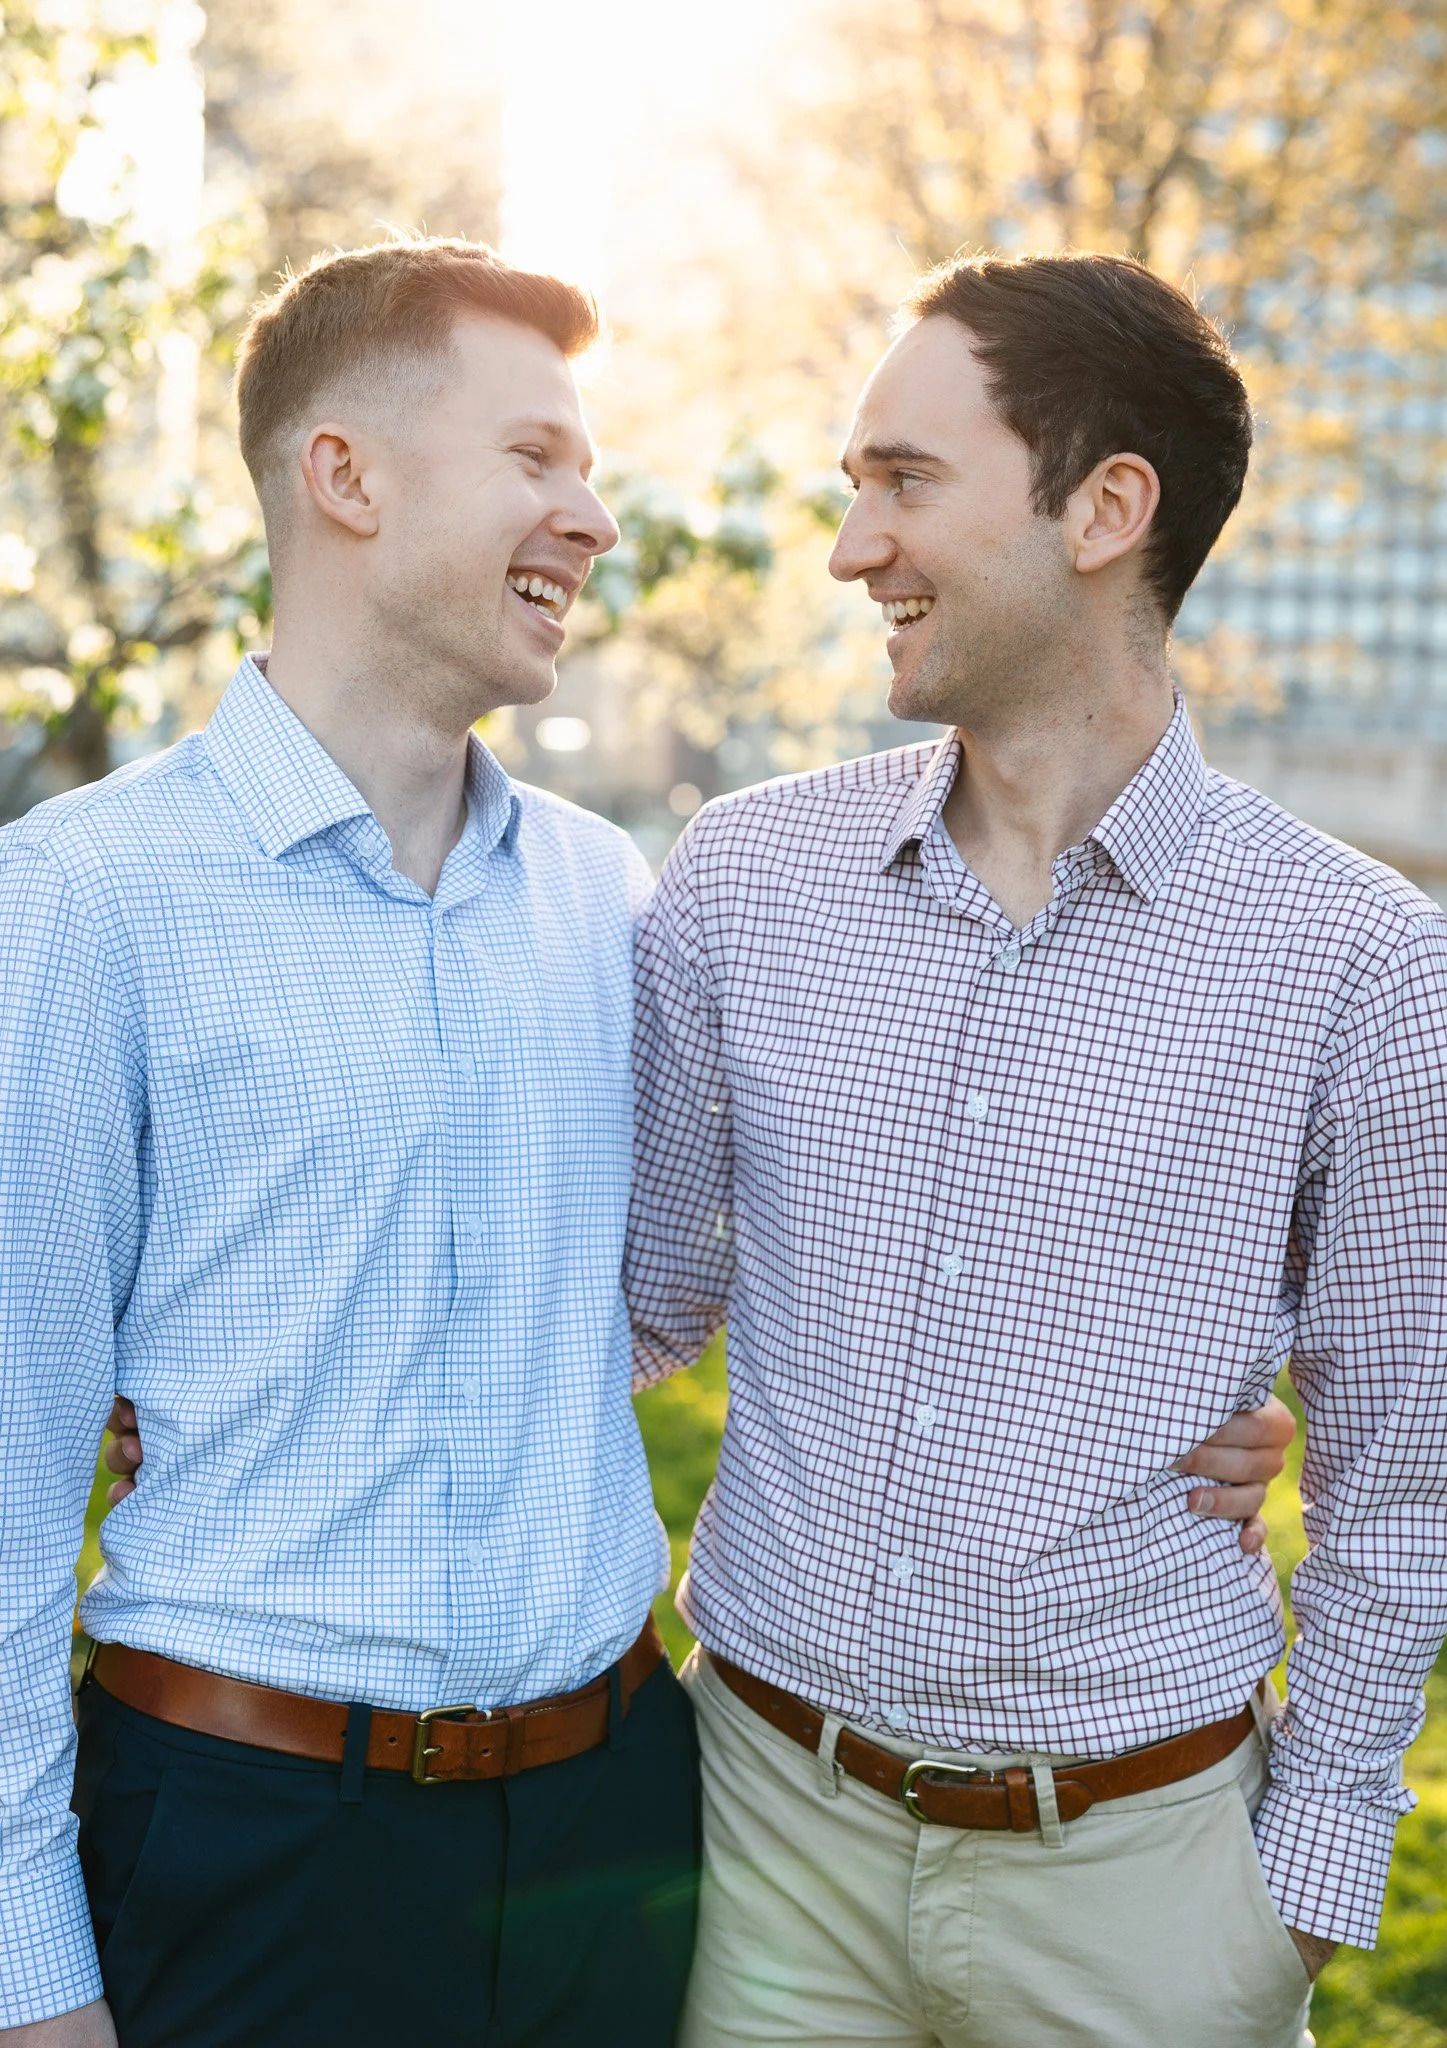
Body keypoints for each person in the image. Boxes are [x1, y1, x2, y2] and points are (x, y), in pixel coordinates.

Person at [4, 234, 1289, 2048]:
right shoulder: (84, 902)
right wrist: (29, 1970)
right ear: (345, 475)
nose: (594, 518)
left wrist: (1142, 1405)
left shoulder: (611, 899)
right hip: (251, 1836)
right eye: (535, 456)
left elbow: (681, 1273)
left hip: (616, 1826)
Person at [625, 252, 1447, 2048]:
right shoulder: (742, 881)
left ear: (1103, 510)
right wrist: (232, 1375)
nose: (852, 549)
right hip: (760, 1851)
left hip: (1141, 1896)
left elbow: (1398, 1475)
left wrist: (1305, 1885)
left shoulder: (1359, 963)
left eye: (905, 482)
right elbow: (629, 1307)